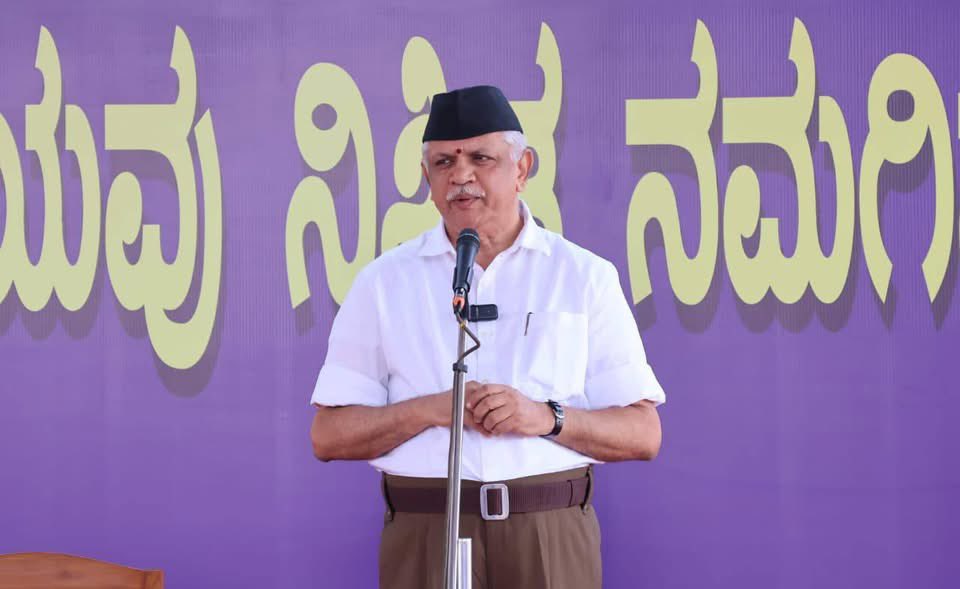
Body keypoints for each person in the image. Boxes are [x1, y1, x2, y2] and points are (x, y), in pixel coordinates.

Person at [310, 85, 665, 589]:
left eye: (481, 158)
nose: (461, 175)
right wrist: (433, 409)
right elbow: (328, 436)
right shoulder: (384, 282)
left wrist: (545, 417)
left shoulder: (583, 276)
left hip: (547, 531)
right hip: (425, 531)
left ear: (522, 169)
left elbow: (643, 433)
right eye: (442, 162)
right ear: (426, 177)